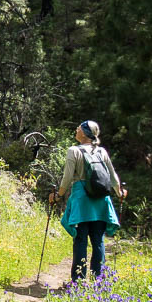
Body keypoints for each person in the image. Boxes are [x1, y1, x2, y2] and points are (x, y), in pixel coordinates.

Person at [49, 120, 126, 283]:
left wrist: (58, 196)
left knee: (80, 240)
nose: (76, 130)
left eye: (78, 128)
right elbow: (113, 176)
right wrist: (119, 193)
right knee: (98, 240)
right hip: (101, 201)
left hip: (82, 202)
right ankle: (99, 281)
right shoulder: (102, 152)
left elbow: (67, 178)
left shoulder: (73, 151)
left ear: (84, 133)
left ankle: (78, 282)